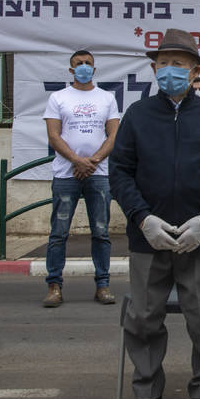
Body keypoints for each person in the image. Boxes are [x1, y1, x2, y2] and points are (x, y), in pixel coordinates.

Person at [110, 29, 200, 399]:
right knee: (144, 317)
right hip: (148, 238)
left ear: (196, 70)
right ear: (153, 69)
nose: (169, 71)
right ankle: (148, 391)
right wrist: (142, 218)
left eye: (178, 64)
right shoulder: (137, 115)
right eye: (162, 64)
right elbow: (120, 172)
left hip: (199, 239)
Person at [41, 49, 121, 307]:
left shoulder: (107, 98)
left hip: (99, 174)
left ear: (94, 69)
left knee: (101, 232)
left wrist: (93, 161)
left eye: (88, 63)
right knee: (59, 233)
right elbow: (54, 136)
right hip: (66, 175)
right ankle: (54, 286)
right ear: (71, 69)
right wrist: (77, 161)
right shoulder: (58, 97)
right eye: (79, 63)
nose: (84, 66)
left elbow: (113, 136)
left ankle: (103, 285)